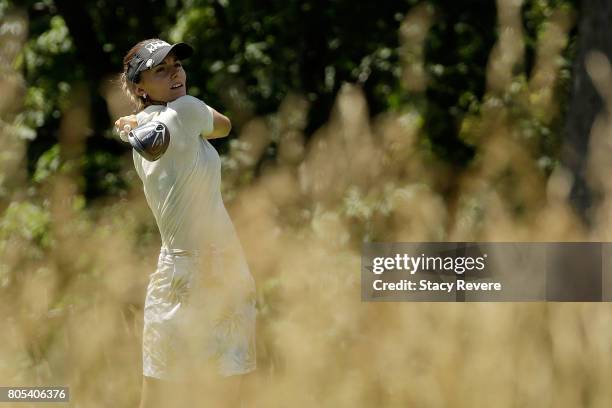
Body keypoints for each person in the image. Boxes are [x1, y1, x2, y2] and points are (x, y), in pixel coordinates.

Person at [114, 38, 256, 408]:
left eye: (176, 64)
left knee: (158, 396)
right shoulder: (188, 109)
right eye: (161, 69)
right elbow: (223, 126)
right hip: (220, 267)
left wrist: (140, 116)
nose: (175, 72)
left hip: (172, 273)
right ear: (139, 87)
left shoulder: (140, 131)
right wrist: (171, 107)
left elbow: (155, 129)